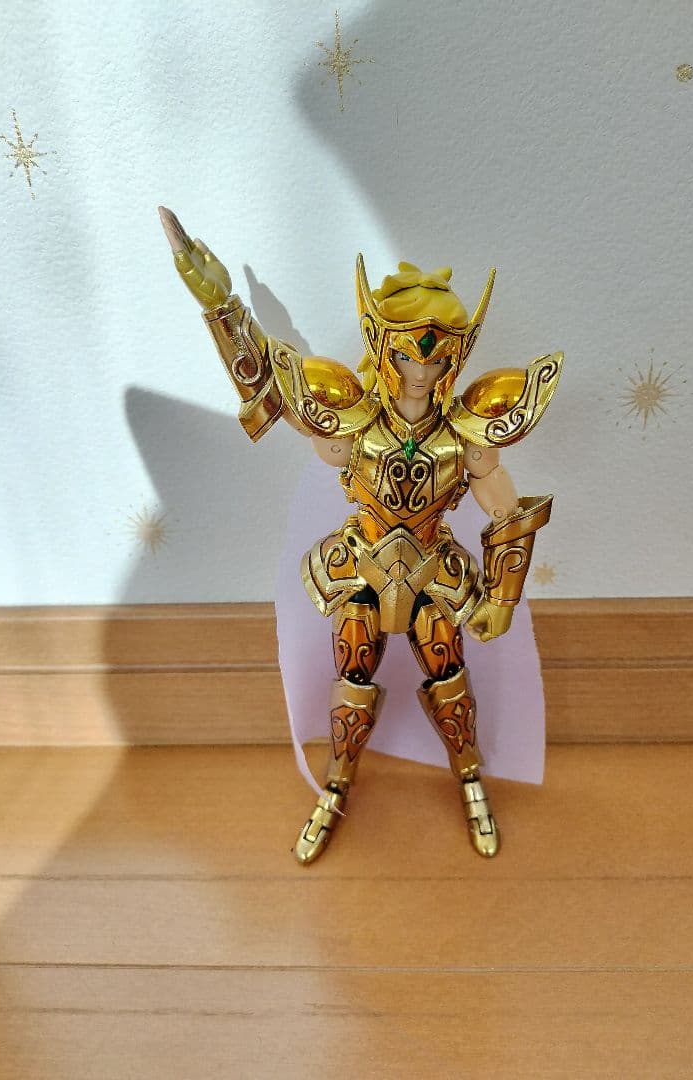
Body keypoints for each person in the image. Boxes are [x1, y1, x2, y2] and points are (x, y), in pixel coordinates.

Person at [159, 206, 563, 863]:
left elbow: (506, 509)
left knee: (450, 676)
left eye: (436, 353)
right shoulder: (352, 421)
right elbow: (276, 390)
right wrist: (222, 308)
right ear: (383, 343)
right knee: (352, 676)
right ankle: (335, 787)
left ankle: (470, 781)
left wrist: (502, 597)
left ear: (456, 353)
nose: (421, 369)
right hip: (361, 567)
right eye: (407, 351)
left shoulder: (466, 434)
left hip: (433, 572)